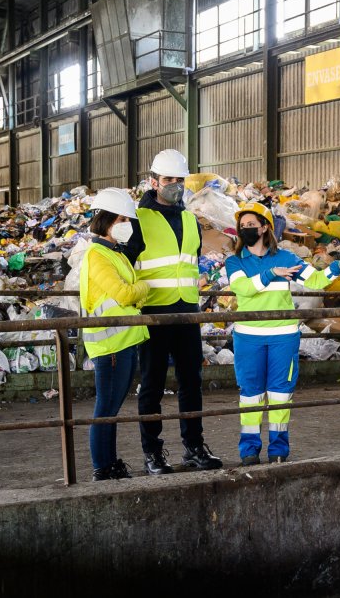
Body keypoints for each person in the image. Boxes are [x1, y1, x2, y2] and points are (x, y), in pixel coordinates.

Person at [224, 202, 340, 465]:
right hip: (248, 337)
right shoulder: (234, 261)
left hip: (283, 337)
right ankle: (249, 450)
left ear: (265, 228)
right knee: (250, 394)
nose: (246, 229)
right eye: (242, 226)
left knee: (280, 393)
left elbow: (315, 281)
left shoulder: (286, 258)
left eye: (251, 224)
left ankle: (278, 449)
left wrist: (335, 267)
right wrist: (271, 273)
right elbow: (242, 289)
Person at [122, 149, 222, 474]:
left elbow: (190, 262)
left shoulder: (191, 220)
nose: (175, 185)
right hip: (153, 313)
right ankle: (153, 453)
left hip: (187, 311)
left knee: (191, 381)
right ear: (153, 181)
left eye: (180, 179)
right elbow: (125, 265)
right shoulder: (138, 220)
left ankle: (194, 447)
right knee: (152, 385)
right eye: (169, 179)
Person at [79, 188, 149, 481]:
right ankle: (102, 467)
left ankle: (110, 464)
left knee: (112, 408)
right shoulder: (97, 255)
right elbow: (124, 293)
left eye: (128, 220)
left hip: (124, 341)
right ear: (106, 220)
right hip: (110, 345)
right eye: (122, 219)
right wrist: (144, 288)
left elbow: (130, 294)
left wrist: (136, 292)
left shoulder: (113, 253)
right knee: (106, 408)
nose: (127, 225)